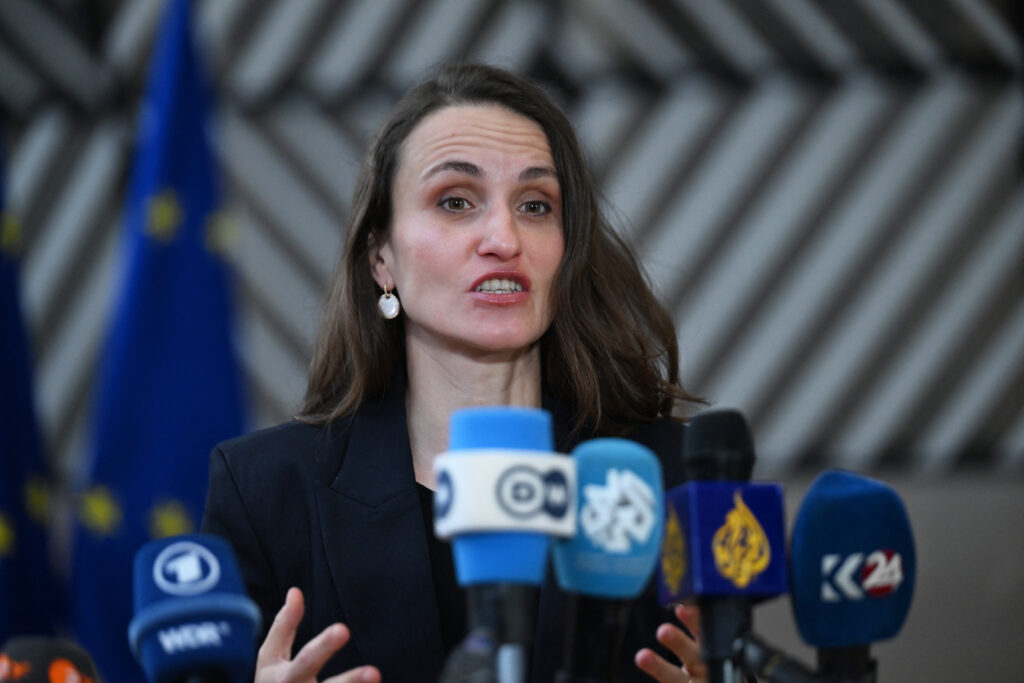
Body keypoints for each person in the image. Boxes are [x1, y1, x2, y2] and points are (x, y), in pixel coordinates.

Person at [201, 62, 708, 683]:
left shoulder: (668, 478)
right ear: (381, 258)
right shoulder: (267, 493)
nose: (504, 238)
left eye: (535, 205)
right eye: (456, 201)